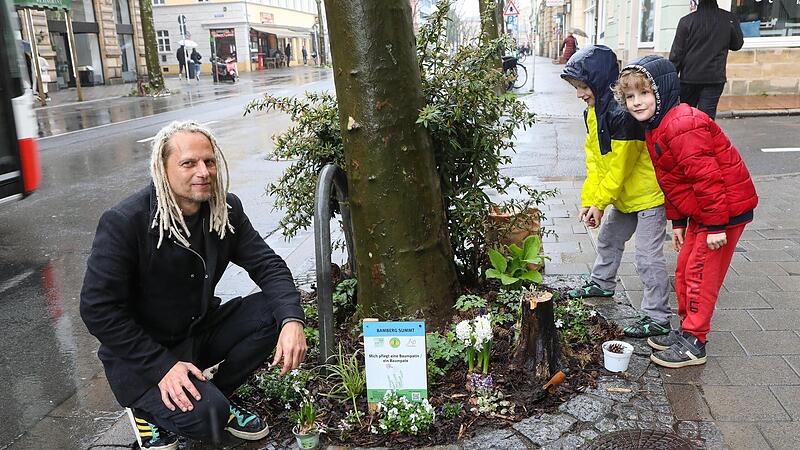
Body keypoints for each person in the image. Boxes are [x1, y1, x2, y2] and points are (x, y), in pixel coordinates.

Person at [80, 120, 308, 449]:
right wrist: (162, 367)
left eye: (209, 161)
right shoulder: (125, 222)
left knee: (274, 312)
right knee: (208, 420)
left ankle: (216, 394)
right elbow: (97, 309)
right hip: (142, 355)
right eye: (188, 163)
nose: (203, 171)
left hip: (195, 333)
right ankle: (146, 409)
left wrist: (292, 320)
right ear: (162, 168)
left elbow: (268, 265)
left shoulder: (224, 210)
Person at [613, 55, 758, 368]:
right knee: (684, 271)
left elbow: (707, 178)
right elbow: (673, 180)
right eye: (630, 97)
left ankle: (695, 342)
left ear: (661, 92)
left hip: (722, 210)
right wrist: (678, 220)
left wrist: (717, 226)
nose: (637, 102)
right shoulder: (657, 125)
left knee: (699, 275)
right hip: (704, 212)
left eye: (644, 93)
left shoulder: (681, 124)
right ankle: (686, 331)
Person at [560, 46, 671, 339]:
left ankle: (657, 317)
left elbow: (620, 167)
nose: (580, 93)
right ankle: (602, 282)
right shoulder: (593, 113)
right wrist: (590, 201)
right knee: (608, 238)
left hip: (648, 197)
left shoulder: (623, 117)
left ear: (597, 81)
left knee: (647, 258)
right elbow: (595, 160)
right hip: (624, 197)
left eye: (583, 86)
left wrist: (600, 202)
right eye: (577, 87)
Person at [669, 0, 743, 120]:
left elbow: (677, 54)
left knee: (685, 117)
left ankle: (686, 138)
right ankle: (703, 138)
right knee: (706, 120)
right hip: (714, 78)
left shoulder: (686, 21)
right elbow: (737, 44)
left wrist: (671, 80)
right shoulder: (729, 19)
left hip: (689, 78)